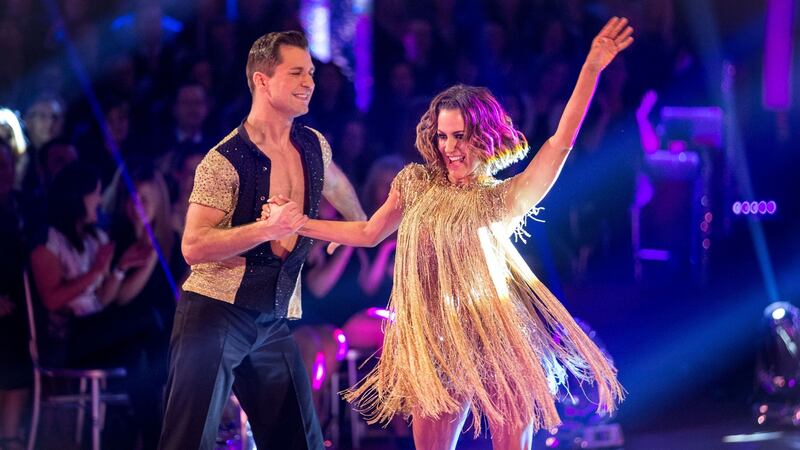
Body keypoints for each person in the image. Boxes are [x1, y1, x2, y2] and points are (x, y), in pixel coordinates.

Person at [269, 17, 633, 450]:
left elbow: (559, 142)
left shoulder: (502, 198)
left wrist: (591, 67)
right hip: (436, 340)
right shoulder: (415, 184)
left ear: (483, 137)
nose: (449, 147)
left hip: (497, 337)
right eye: (442, 136)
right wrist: (300, 222)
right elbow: (369, 232)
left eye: (460, 136)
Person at [158, 30, 365, 450]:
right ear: (262, 81)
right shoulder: (224, 160)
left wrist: (356, 223)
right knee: (188, 441)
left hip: (271, 321)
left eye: (310, 72)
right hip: (214, 316)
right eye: (296, 73)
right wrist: (267, 229)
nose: (309, 82)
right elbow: (193, 246)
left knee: (299, 441)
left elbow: (337, 185)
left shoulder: (311, 144)